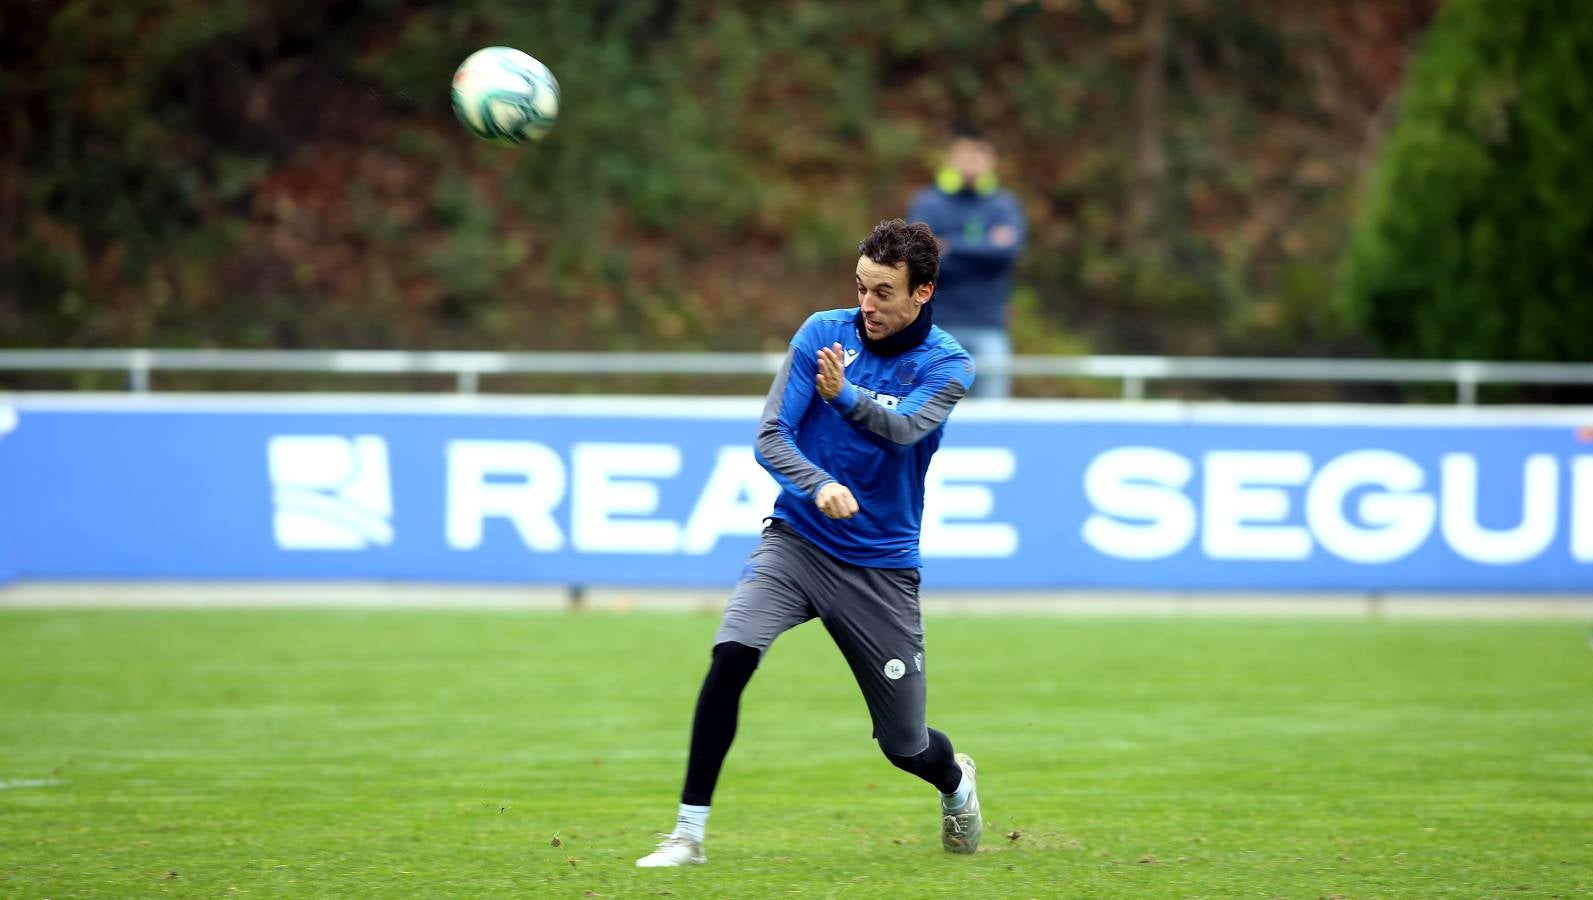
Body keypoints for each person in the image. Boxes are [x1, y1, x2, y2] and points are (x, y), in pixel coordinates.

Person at [636, 219, 983, 868]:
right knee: (731, 655)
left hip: (878, 569)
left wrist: (844, 397)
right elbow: (771, 436)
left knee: (904, 745)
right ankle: (687, 834)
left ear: (922, 293)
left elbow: (905, 431)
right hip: (795, 542)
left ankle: (955, 781)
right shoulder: (820, 334)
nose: (866, 306)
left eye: (883, 292)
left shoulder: (947, 364)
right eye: (859, 288)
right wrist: (816, 484)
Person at [906, 126, 1026, 399]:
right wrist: (986, 246)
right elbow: (921, 258)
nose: (972, 161)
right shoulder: (928, 203)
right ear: (951, 157)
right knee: (926, 411)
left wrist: (950, 245)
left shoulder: (1004, 205)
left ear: (991, 160)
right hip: (935, 325)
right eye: (966, 153)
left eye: (980, 154)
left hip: (989, 326)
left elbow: (1008, 253)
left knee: (992, 418)